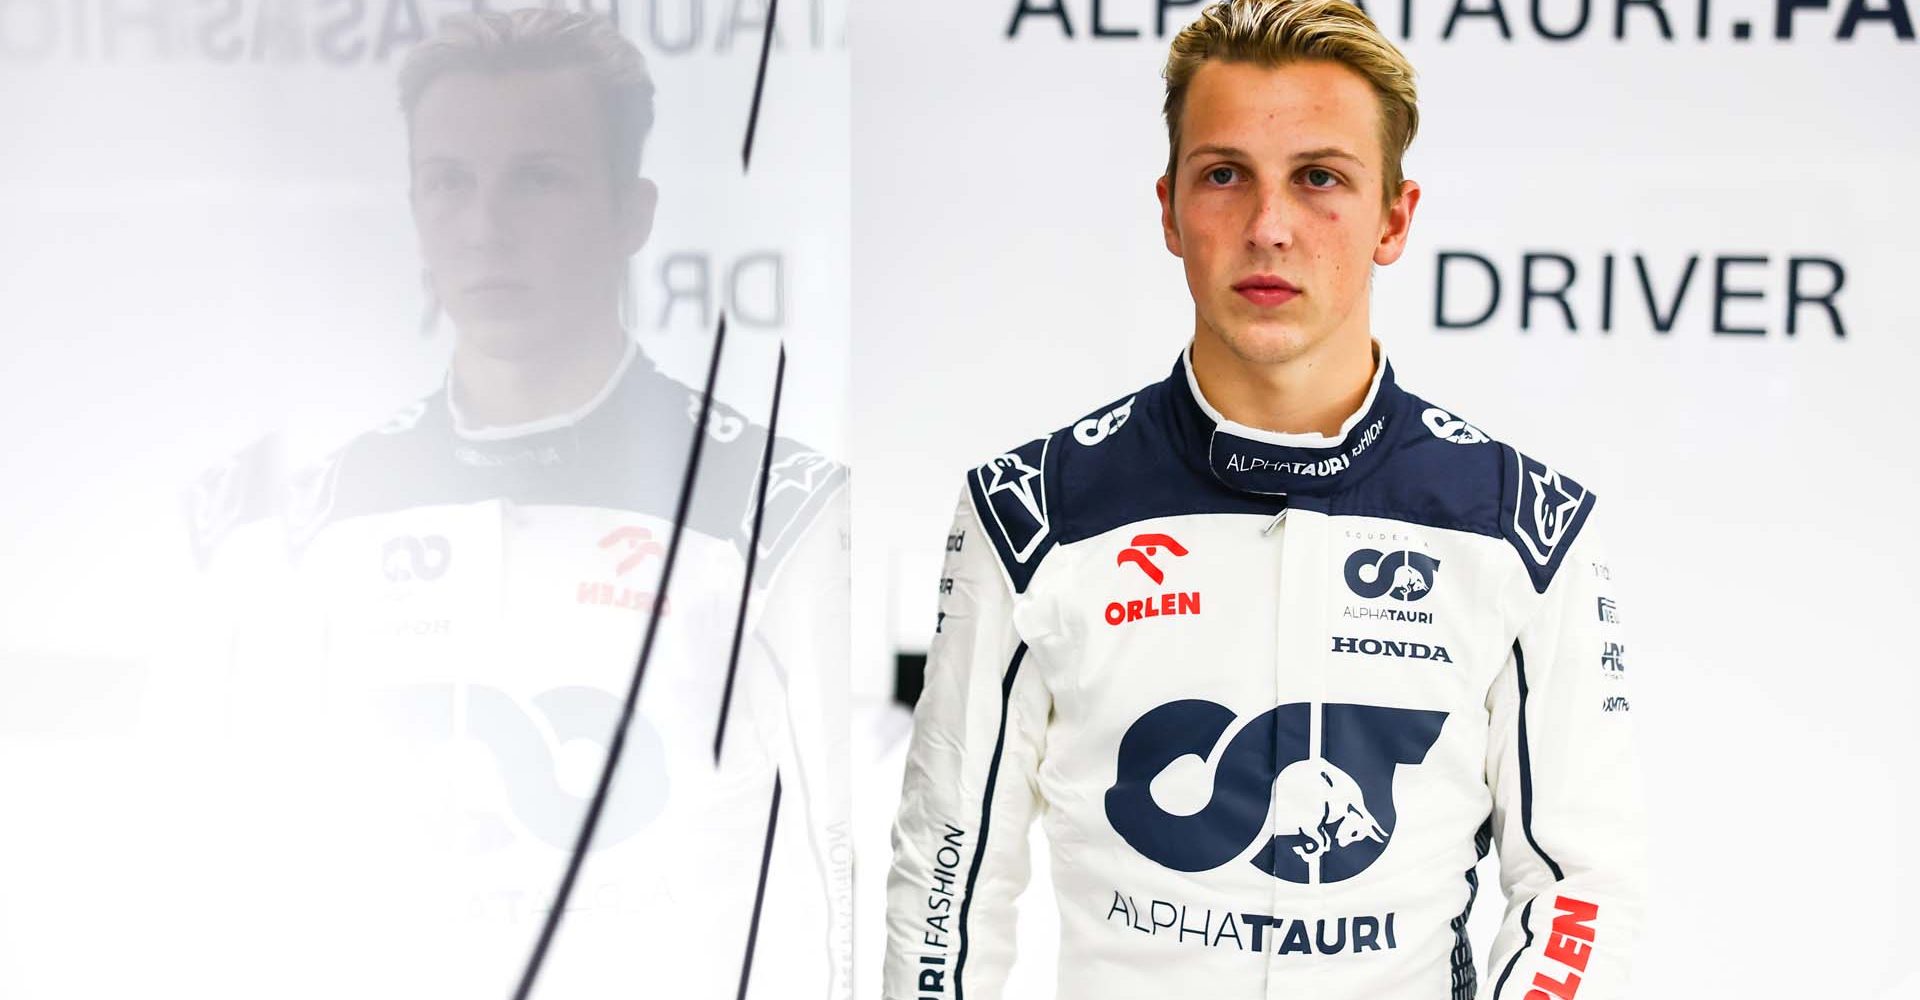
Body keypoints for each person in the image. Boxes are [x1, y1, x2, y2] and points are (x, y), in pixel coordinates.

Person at [882, 1, 1646, 998]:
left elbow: (1580, 887)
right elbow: (948, 875)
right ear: (1169, 209)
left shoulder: (1519, 527)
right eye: (1225, 174)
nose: (1269, 226)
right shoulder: (1033, 514)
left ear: (1394, 218)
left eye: (1319, 177)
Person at [187, 10, 851, 998]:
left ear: (634, 211)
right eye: (448, 182)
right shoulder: (310, 523)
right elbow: (249, 879)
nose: (484, 225)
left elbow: (846, 864)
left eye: (536, 178)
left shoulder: (778, 510)